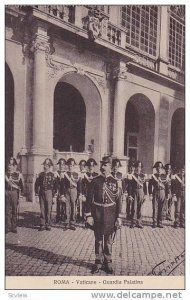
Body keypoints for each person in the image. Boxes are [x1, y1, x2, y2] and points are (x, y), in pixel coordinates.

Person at [85, 156, 122, 274]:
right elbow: (89, 199)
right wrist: (89, 215)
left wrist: (118, 217)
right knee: (98, 239)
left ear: (111, 167)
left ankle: (108, 261)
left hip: (110, 214)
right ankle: (98, 262)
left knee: (108, 240)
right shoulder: (95, 181)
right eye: (102, 165)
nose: (102, 167)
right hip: (98, 214)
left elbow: (118, 201)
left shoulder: (115, 181)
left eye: (105, 165)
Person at [35, 158, 58, 231]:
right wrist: (36, 194)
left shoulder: (53, 175)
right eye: (45, 165)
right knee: (42, 209)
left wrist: (54, 195)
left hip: (49, 192)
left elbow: (55, 186)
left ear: (50, 166)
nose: (45, 166)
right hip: (41, 192)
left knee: (48, 209)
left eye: (47, 165)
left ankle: (48, 224)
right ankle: (42, 224)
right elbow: (36, 184)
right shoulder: (40, 174)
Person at [5, 157, 24, 234]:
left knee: (14, 210)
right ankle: (8, 227)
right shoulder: (5, 174)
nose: (10, 166)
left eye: (12, 164)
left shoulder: (18, 175)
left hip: (14, 193)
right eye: (9, 164)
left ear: (15, 166)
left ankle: (14, 227)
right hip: (6, 192)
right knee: (7, 210)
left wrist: (20, 194)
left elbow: (21, 186)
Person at [128, 160, 148, 229]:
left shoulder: (143, 175)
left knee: (140, 207)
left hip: (141, 191)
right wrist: (130, 195)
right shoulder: (132, 176)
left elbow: (145, 186)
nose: (138, 168)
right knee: (134, 207)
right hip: (134, 192)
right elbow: (130, 186)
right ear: (135, 167)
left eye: (139, 166)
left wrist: (145, 194)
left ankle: (139, 222)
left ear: (141, 167)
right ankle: (133, 222)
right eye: (137, 166)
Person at [62, 158, 79, 230]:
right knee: (67, 207)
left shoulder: (76, 174)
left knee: (73, 207)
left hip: (74, 190)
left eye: (72, 165)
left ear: (74, 166)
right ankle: (66, 223)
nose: (71, 167)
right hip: (67, 190)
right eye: (69, 165)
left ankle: (72, 223)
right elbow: (62, 185)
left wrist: (80, 193)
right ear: (67, 166)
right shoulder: (65, 174)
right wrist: (62, 194)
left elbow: (79, 184)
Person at [149, 161, 167, 228]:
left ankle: (160, 222)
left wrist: (167, 193)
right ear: (156, 168)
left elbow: (167, 185)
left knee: (161, 208)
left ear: (162, 168)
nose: (159, 168)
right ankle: (154, 222)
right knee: (155, 208)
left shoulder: (164, 176)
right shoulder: (153, 176)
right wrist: (150, 194)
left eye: (160, 167)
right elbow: (150, 185)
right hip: (156, 192)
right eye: (157, 167)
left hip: (163, 192)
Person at [55, 158, 67, 223]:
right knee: (58, 203)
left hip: (65, 190)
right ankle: (58, 216)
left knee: (64, 204)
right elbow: (55, 182)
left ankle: (64, 216)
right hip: (59, 190)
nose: (61, 166)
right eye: (60, 164)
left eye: (63, 164)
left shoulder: (66, 173)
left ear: (64, 165)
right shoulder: (56, 173)